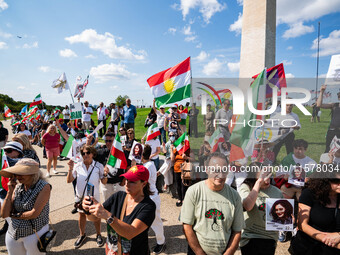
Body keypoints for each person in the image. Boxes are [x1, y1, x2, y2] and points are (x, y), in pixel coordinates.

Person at [82, 165, 156, 255]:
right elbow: (94, 218)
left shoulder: (148, 206)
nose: (127, 183)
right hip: (112, 251)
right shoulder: (118, 196)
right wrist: (88, 209)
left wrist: (107, 215)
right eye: (126, 179)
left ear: (143, 184)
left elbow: (130, 233)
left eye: (132, 181)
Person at [180, 152, 244, 255]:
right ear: (207, 169)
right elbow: (187, 226)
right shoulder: (194, 191)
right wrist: (199, 252)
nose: (221, 175)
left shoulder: (235, 196)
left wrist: (228, 253)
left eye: (224, 170)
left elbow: (237, 231)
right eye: (216, 170)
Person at [0, 159, 51, 255]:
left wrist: (14, 215)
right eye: (16, 173)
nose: (17, 176)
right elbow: (4, 214)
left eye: (21, 173)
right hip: (13, 233)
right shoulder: (18, 186)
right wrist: (9, 191)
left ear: (32, 173)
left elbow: (34, 213)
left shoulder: (44, 186)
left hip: (35, 233)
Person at [67, 145, 108, 248]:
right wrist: (70, 169)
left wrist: (106, 174)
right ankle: (82, 235)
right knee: (81, 215)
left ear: (93, 154)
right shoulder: (77, 165)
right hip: (80, 197)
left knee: (96, 216)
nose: (85, 155)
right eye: (83, 153)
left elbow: (104, 182)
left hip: (94, 197)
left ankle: (98, 235)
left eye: (88, 153)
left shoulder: (98, 166)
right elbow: (69, 180)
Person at [289, 169, 340, 254]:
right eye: (336, 181)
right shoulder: (309, 194)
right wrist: (327, 239)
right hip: (308, 247)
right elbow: (302, 224)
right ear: (325, 181)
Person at [239, 165, 283, 255]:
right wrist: (258, 183)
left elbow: (280, 216)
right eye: (263, 176)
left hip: (269, 238)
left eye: (268, 175)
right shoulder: (246, 187)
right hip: (250, 237)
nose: (267, 180)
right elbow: (248, 206)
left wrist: (287, 218)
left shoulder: (277, 192)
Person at [142, 145, 166, 254]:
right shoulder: (149, 164)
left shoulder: (146, 167)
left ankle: (161, 242)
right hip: (147, 197)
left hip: (151, 198)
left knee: (156, 221)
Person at [88, 132, 125, 201]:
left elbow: (128, 166)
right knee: (107, 208)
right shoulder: (101, 152)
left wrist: (124, 180)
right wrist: (89, 143)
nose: (108, 143)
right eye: (106, 141)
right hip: (106, 185)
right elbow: (87, 155)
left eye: (110, 141)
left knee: (120, 208)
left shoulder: (121, 152)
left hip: (119, 185)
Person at [317, 84, 340, 152]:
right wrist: (321, 92)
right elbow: (319, 104)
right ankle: (327, 162)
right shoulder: (334, 105)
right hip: (332, 131)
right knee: (328, 150)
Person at [171, 139, 191, 207]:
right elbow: (172, 159)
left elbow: (193, 158)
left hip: (184, 169)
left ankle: (184, 199)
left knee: (184, 185)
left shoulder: (187, 149)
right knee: (178, 184)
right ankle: (180, 198)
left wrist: (186, 157)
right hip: (177, 169)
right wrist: (171, 149)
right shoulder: (176, 149)